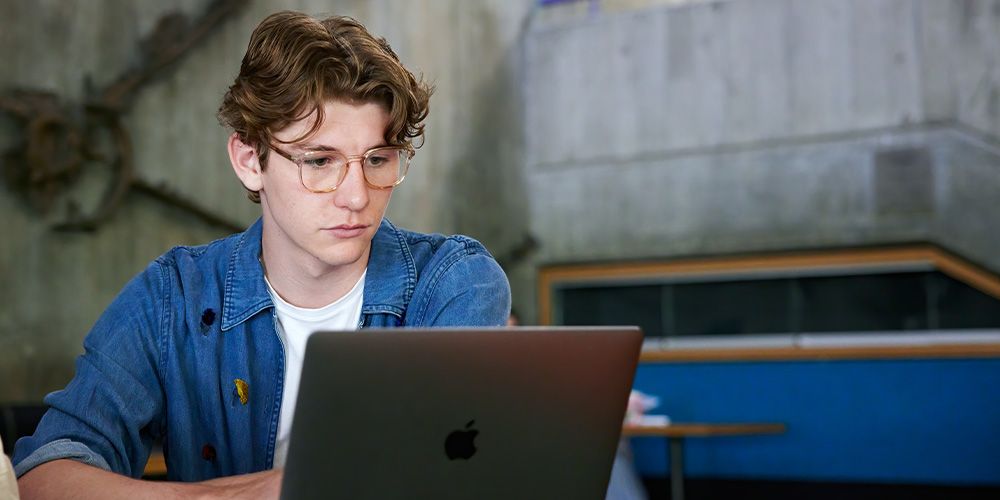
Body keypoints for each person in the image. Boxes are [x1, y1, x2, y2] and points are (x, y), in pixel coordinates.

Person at [13, 11, 510, 498]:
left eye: (378, 160)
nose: (357, 197)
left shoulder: (455, 282)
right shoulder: (173, 298)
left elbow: (436, 478)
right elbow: (46, 472)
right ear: (251, 162)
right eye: (320, 161)